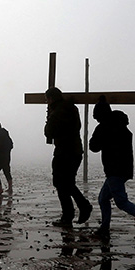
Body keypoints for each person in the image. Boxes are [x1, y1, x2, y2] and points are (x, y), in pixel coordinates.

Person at [88, 95, 135, 245]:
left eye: (96, 116)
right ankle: (104, 228)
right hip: (124, 169)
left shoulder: (104, 127)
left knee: (121, 202)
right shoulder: (121, 125)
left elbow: (93, 147)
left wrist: (94, 136)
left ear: (99, 114)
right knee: (103, 199)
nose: (96, 119)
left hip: (114, 170)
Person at [44, 87, 92, 226]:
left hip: (64, 152)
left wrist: (49, 118)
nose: (47, 102)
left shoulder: (58, 112)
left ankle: (73, 212)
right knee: (67, 183)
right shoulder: (71, 108)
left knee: (61, 183)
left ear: (51, 99)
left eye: (47, 100)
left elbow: (49, 132)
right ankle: (73, 212)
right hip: (75, 151)